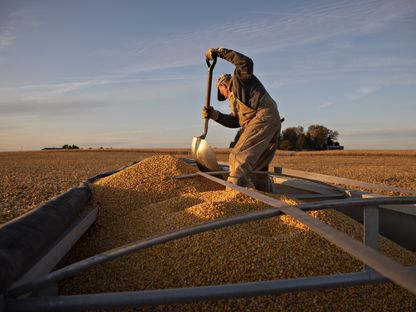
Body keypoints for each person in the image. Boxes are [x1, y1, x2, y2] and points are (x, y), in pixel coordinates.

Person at [203, 47, 282, 192]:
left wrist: (219, 52)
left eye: (222, 93)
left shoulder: (240, 80)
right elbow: (236, 121)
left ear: (223, 85)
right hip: (270, 120)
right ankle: (267, 200)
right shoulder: (236, 100)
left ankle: (236, 197)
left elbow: (246, 63)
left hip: (263, 116)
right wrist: (214, 115)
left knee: (238, 156)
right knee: (258, 167)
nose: (225, 96)